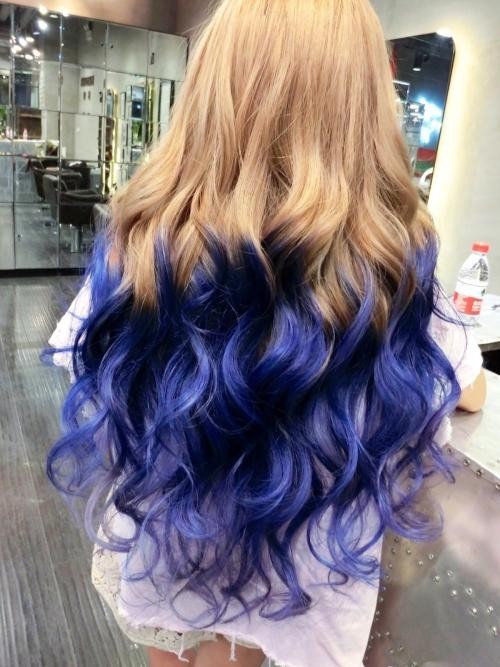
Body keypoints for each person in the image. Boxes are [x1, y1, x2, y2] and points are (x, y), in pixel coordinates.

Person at [46, 1, 486, 666]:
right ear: (365, 108)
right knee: (248, 639)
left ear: (211, 92)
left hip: (171, 544)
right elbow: (467, 388)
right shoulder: (390, 281)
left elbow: (88, 369)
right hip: (297, 578)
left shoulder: (144, 250)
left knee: (174, 640)